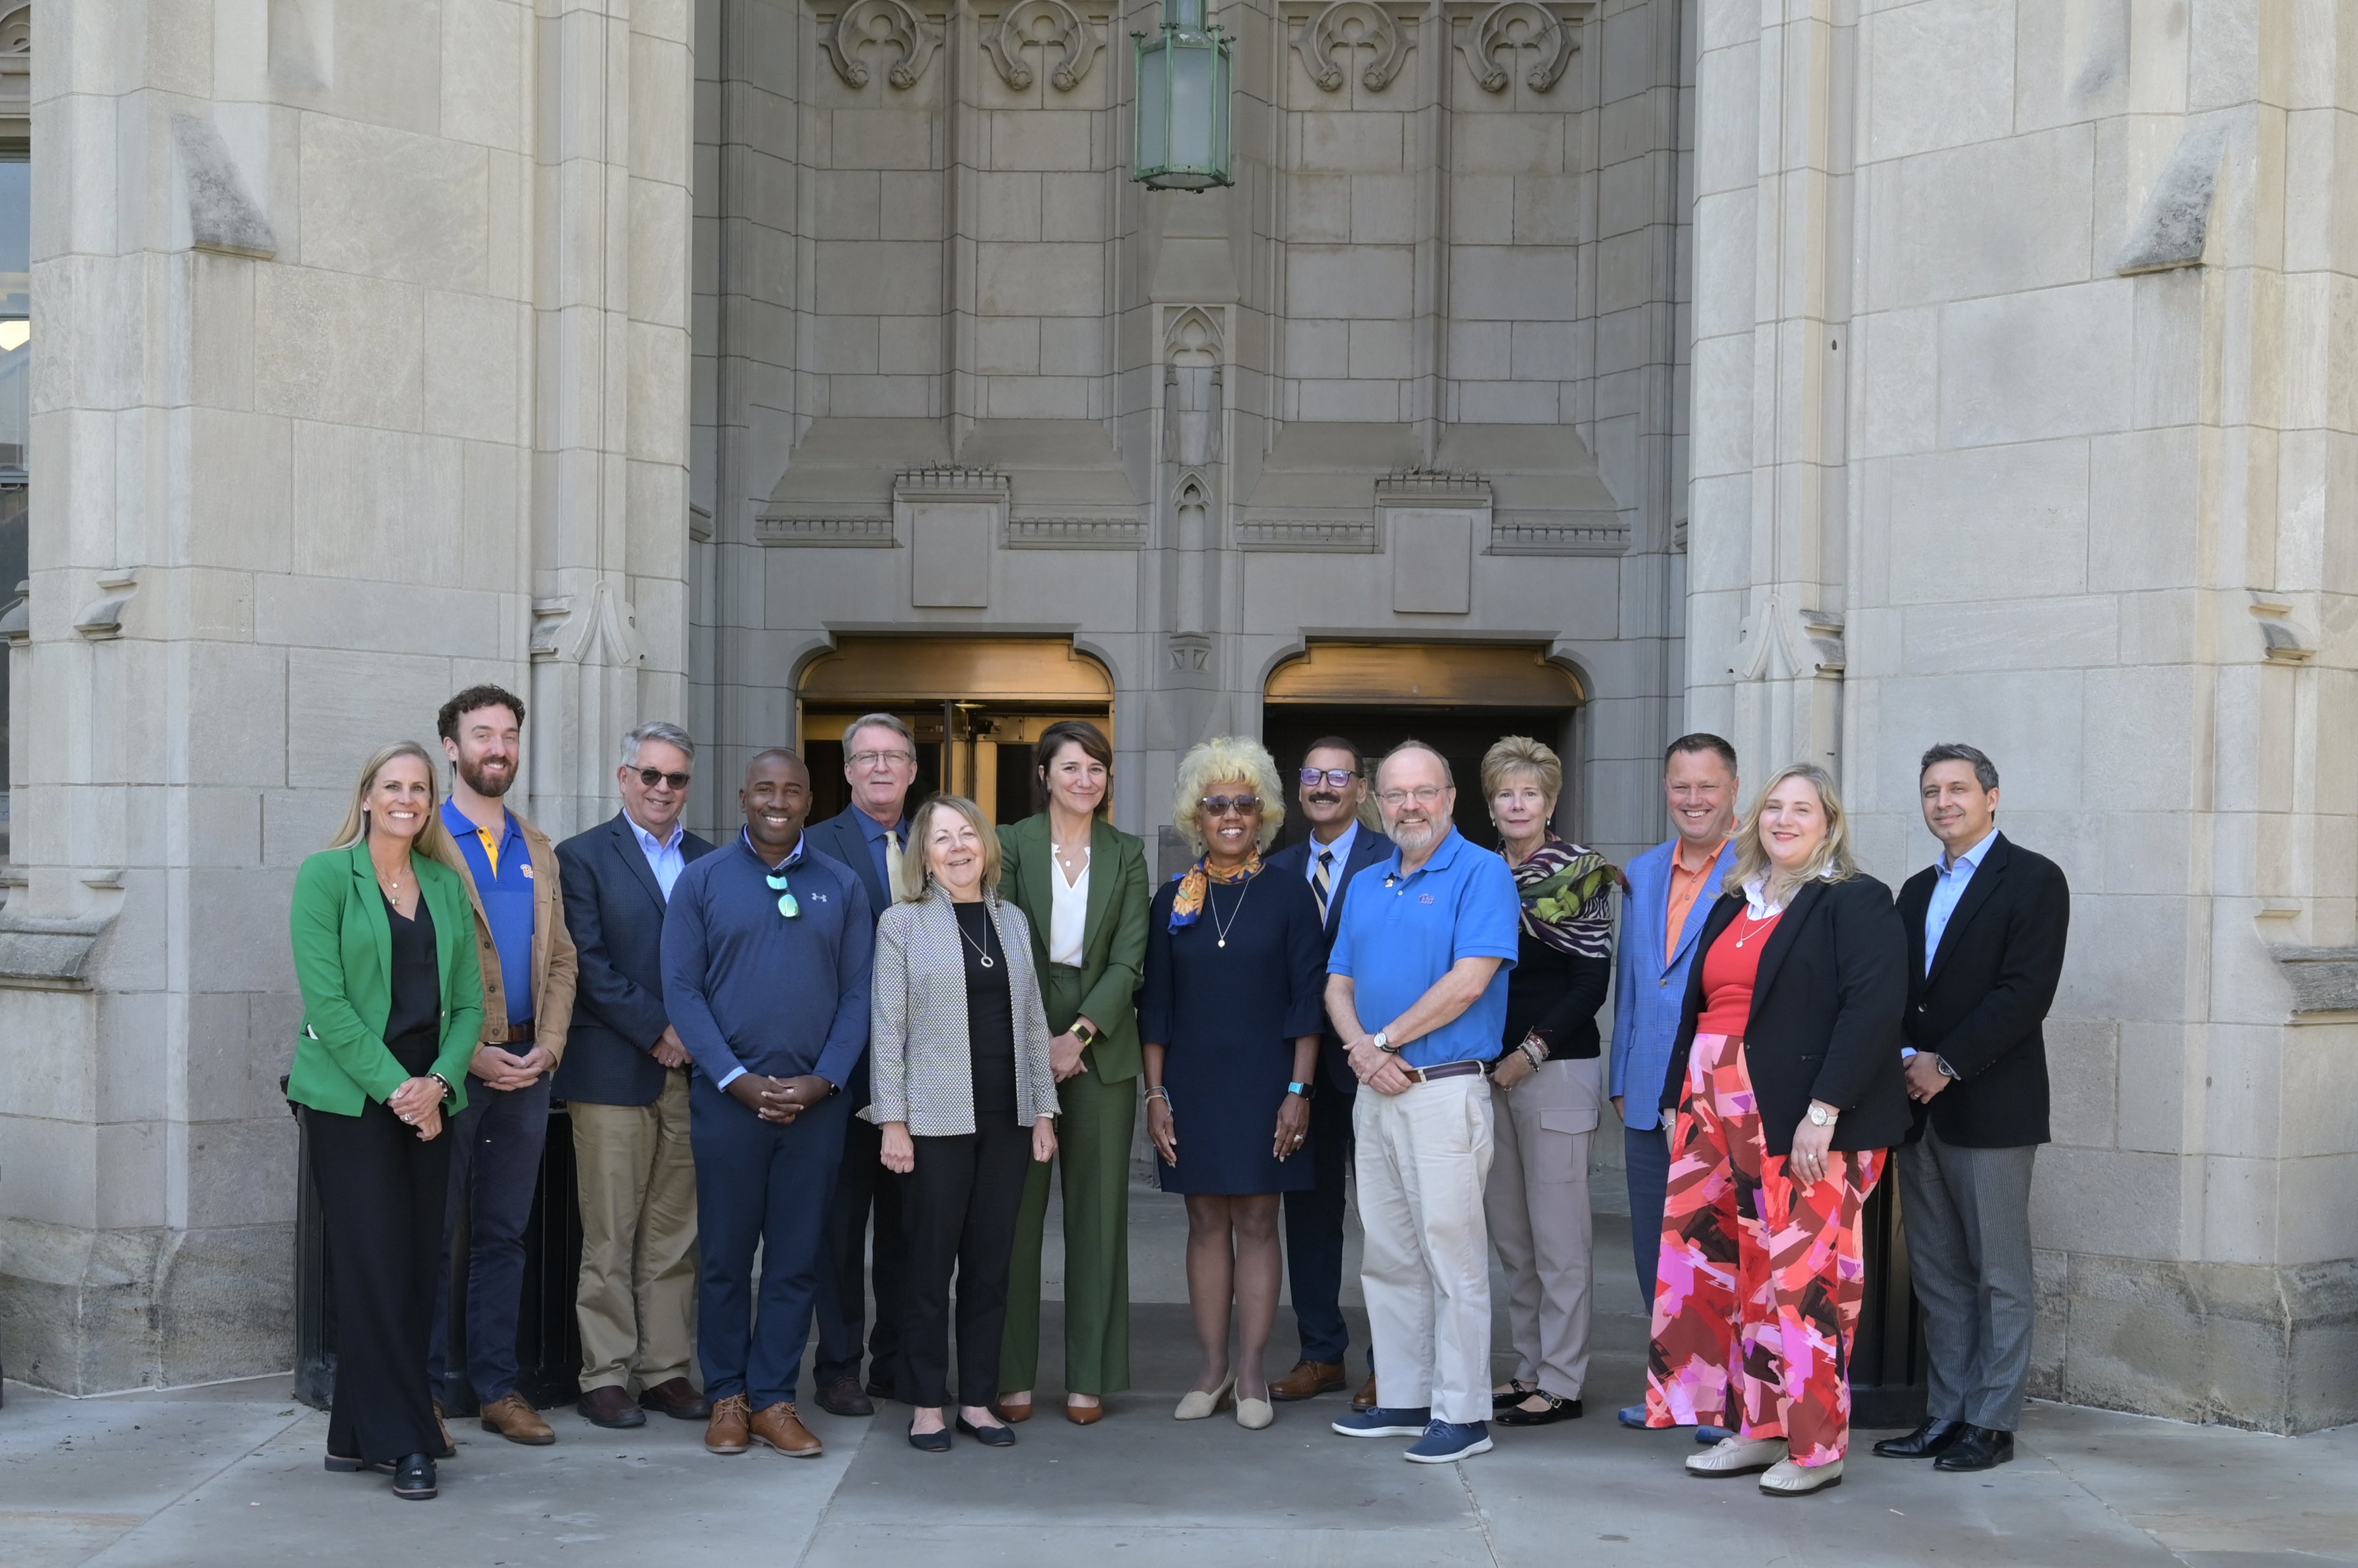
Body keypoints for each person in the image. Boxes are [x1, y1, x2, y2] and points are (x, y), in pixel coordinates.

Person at [1647, 762, 1908, 1497]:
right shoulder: (1738, 902)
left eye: (1801, 809)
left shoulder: (1855, 901)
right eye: (1773, 808)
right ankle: (1758, 1430)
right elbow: (1698, 1008)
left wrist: (1823, 1111)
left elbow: (1871, 1009)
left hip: (1804, 1117)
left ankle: (1817, 1447)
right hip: (1711, 1108)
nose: (1784, 820)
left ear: (1829, 822)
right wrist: (1677, 1097)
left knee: (1805, 1280)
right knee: (1730, 1275)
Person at [662, 749, 874, 1459]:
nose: (777, 801)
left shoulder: (842, 885)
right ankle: (727, 1395)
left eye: (790, 790)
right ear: (742, 797)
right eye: (763, 789)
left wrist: (824, 1080)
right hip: (728, 1103)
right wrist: (734, 1078)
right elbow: (682, 992)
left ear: (810, 799)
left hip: (816, 1107)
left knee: (795, 1258)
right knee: (724, 1257)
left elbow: (857, 994)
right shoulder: (703, 882)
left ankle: (775, 1399)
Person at [287, 742, 484, 1501]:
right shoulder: (325, 876)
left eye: (420, 788)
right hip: (351, 1103)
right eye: (392, 786)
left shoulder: (442, 882)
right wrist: (402, 1092)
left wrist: (436, 1084)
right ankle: (408, 1440)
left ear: (433, 803)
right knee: (373, 1269)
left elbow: (469, 1006)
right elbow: (327, 1006)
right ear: (366, 795)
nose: (406, 798)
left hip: (430, 1100)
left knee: (410, 1273)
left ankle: (352, 1436)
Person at [1873, 744, 2070, 1474]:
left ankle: (1992, 1421)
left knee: (1998, 1272)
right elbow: (1889, 989)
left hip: (1990, 1108)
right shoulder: (1915, 889)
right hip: (1917, 1107)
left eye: (1957, 788)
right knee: (1937, 1271)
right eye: (1931, 791)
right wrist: (1903, 1062)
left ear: (1992, 797)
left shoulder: (2035, 880)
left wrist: (1944, 1064)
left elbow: (2024, 993)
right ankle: (1945, 1412)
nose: (1943, 801)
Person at [1325, 741, 1521, 1465]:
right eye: (1397, 794)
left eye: (1425, 792)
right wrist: (1362, 1051)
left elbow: (1471, 980)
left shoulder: (1483, 871)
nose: (1410, 805)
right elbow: (1335, 980)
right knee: (1388, 1253)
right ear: (1377, 802)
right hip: (1376, 1092)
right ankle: (1405, 1398)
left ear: (1450, 798)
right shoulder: (1370, 882)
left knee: (1452, 1255)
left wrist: (1384, 1042)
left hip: (1442, 1089)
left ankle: (1463, 1414)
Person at [1142, 738, 1327, 1430]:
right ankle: (1211, 1369)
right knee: (1203, 1220)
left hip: (1268, 1081)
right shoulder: (1171, 900)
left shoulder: (1288, 894)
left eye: (1243, 804)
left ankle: (1252, 1374)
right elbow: (1155, 1005)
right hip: (1191, 1081)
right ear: (1197, 815)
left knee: (1256, 1217)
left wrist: (1299, 1091)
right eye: (1215, 804)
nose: (1229, 815)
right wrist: (1155, 1094)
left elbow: (1306, 1001)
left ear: (1263, 814)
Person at [866, 795, 1060, 1453]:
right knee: (926, 1267)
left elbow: (1033, 1022)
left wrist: (1043, 1112)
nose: (956, 848)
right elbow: (887, 1030)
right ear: (924, 854)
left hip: (1006, 1120)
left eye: (966, 834)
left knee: (988, 1267)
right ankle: (926, 1401)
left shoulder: (1010, 921)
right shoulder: (901, 924)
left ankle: (976, 1400)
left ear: (985, 845)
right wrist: (893, 1122)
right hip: (933, 1122)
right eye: (941, 838)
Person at [553, 721, 717, 1430]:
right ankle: (605, 1373)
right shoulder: (582, 857)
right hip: (613, 1073)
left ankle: (666, 1371)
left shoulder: (713, 860)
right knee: (611, 1233)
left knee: (674, 1234)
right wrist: (660, 1030)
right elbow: (586, 962)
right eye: (649, 775)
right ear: (624, 778)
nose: (661, 789)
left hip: (695, 1077)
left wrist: (697, 1039)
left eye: (675, 778)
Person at [429, 685, 578, 1448]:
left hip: (528, 1065)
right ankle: (420, 1396)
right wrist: (469, 1053)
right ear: (451, 747)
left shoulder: (537, 845)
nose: (499, 748)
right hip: (452, 1069)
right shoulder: (425, 838)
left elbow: (560, 958)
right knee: (431, 1233)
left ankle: (497, 1389)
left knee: (503, 1235)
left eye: (510, 735)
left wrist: (546, 1045)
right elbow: (414, 966)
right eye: (483, 734)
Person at [995, 720, 1149, 1425]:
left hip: (1102, 1042)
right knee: (1013, 1219)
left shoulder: (1129, 853)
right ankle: (1009, 1373)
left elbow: (1129, 961)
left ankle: (1088, 1374)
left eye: (1097, 768)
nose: (1085, 779)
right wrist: (1039, 1043)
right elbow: (999, 942)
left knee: (1097, 1218)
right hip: (1018, 1036)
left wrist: (1078, 1036)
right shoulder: (1006, 843)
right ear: (1044, 774)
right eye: (1071, 767)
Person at [1481, 736, 1613, 1429]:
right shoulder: (1475, 873)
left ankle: (1562, 1380)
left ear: (1551, 802)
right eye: (1505, 793)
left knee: (1560, 1238)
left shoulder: (1581, 873)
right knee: (1512, 1236)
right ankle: (1528, 1368)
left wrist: (1529, 1053)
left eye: (1529, 793)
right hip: (1486, 1073)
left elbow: (1591, 979)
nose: (1517, 803)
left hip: (1555, 1068)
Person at [1609, 732, 1740, 1433]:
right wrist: (1620, 1074)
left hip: (1721, 1090)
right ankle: (1674, 1390)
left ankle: (1728, 1397)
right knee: (1653, 1251)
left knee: (1719, 1245)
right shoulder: (1644, 870)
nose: (1693, 800)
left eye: (1707, 787)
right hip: (1644, 1088)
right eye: (1680, 787)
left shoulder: (1761, 870)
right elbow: (1634, 982)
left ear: (1733, 793)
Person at [1264, 737, 1391, 1408]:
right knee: (1309, 1219)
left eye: (1337, 776)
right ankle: (1322, 1354)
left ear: (1361, 789)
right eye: (1311, 774)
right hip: (1299, 1071)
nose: (1322, 786)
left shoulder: (1390, 858)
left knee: (1384, 1222)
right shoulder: (1275, 868)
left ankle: (1387, 1361)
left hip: (1375, 1064)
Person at [803, 712, 920, 1417]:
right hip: (840, 1073)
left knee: (911, 1228)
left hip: (921, 1071)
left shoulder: (940, 846)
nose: (880, 768)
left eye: (894, 756)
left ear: (911, 770)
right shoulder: (814, 846)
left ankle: (897, 1361)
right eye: (866, 757)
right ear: (846, 771)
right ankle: (838, 1365)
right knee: (838, 1232)